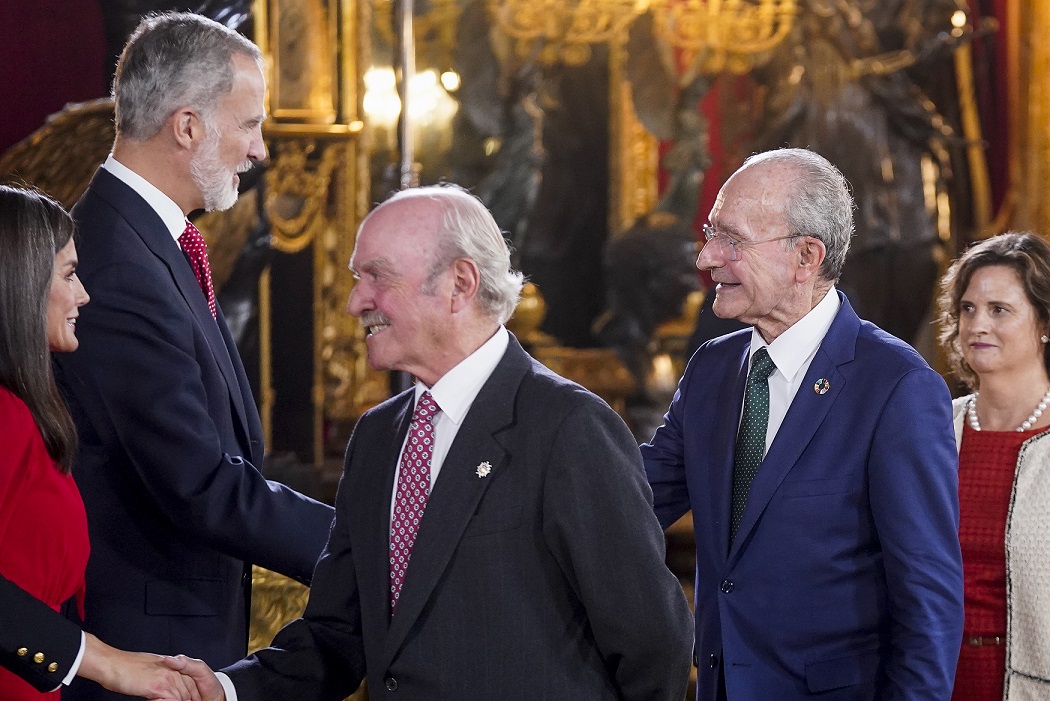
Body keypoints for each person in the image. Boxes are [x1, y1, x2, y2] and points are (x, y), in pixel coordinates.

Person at [167, 184, 695, 700]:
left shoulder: (569, 427)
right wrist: (230, 689)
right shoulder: (378, 437)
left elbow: (653, 644)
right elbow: (337, 634)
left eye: (377, 277)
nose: (355, 302)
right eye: (356, 278)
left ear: (460, 284)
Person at [51, 13, 335, 700]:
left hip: (178, 639)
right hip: (142, 655)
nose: (261, 150)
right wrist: (364, 540)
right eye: (249, 125)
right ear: (187, 126)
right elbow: (198, 481)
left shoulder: (147, 241)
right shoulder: (117, 263)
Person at [642, 148, 965, 699]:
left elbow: (928, 603)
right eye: (710, 232)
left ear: (806, 256)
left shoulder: (895, 388)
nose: (707, 257)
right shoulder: (712, 369)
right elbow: (633, 495)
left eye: (733, 240)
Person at [0, 185, 199, 700]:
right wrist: (104, 664)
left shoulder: (23, 408)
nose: (84, 293)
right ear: (18, 283)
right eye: (68, 274)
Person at [937, 232, 1050, 700]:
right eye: (967, 308)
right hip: (933, 676)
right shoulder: (932, 430)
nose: (977, 324)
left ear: (1044, 322)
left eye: (999, 310)